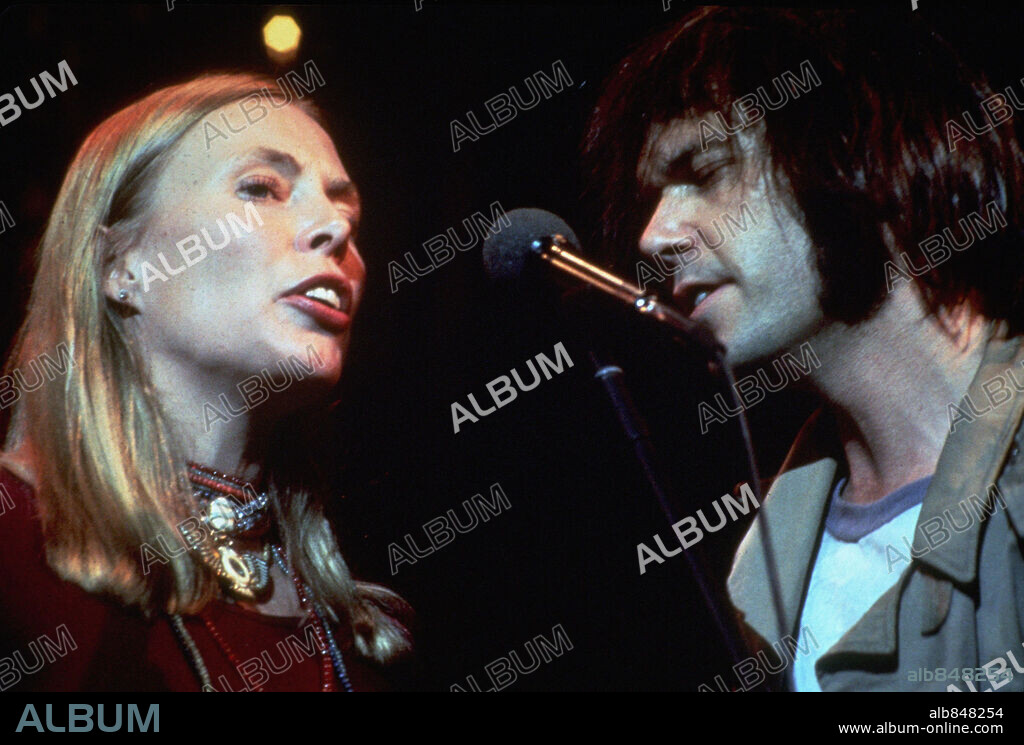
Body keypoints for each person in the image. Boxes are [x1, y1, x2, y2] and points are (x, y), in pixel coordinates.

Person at [584, 7, 1024, 691]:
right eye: (653, 197)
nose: (653, 234)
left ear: (861, 150)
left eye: (705, 171)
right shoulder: (757, 568)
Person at [0, 73, 412, 692]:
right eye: (262, 189)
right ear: (121, 266)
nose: (336, 229)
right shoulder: (13, 549)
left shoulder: (372, 638)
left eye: (344, 205)